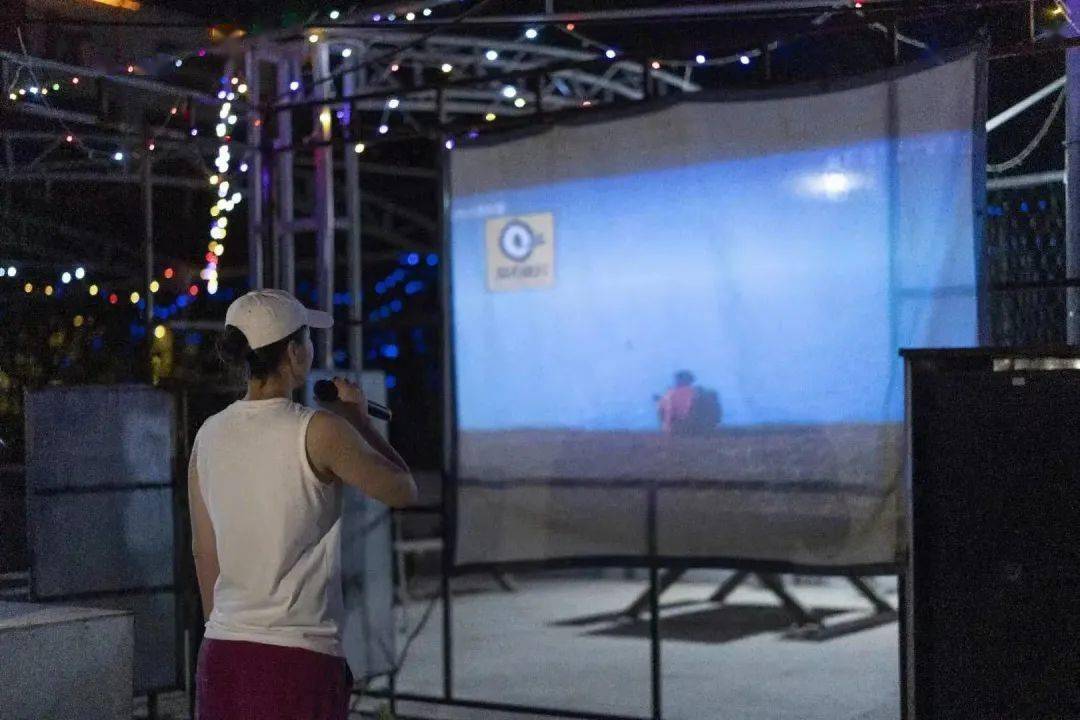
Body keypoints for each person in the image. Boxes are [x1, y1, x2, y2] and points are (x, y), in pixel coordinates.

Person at [188, 289, 417, 720]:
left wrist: (228, 629)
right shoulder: (319, 431)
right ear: (294, 353)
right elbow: (403, 490)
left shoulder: (208, 435)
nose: (311, 349)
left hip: (221, 656)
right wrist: (360, 421)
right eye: (308, 339)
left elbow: (204, 551)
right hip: (296, 661)